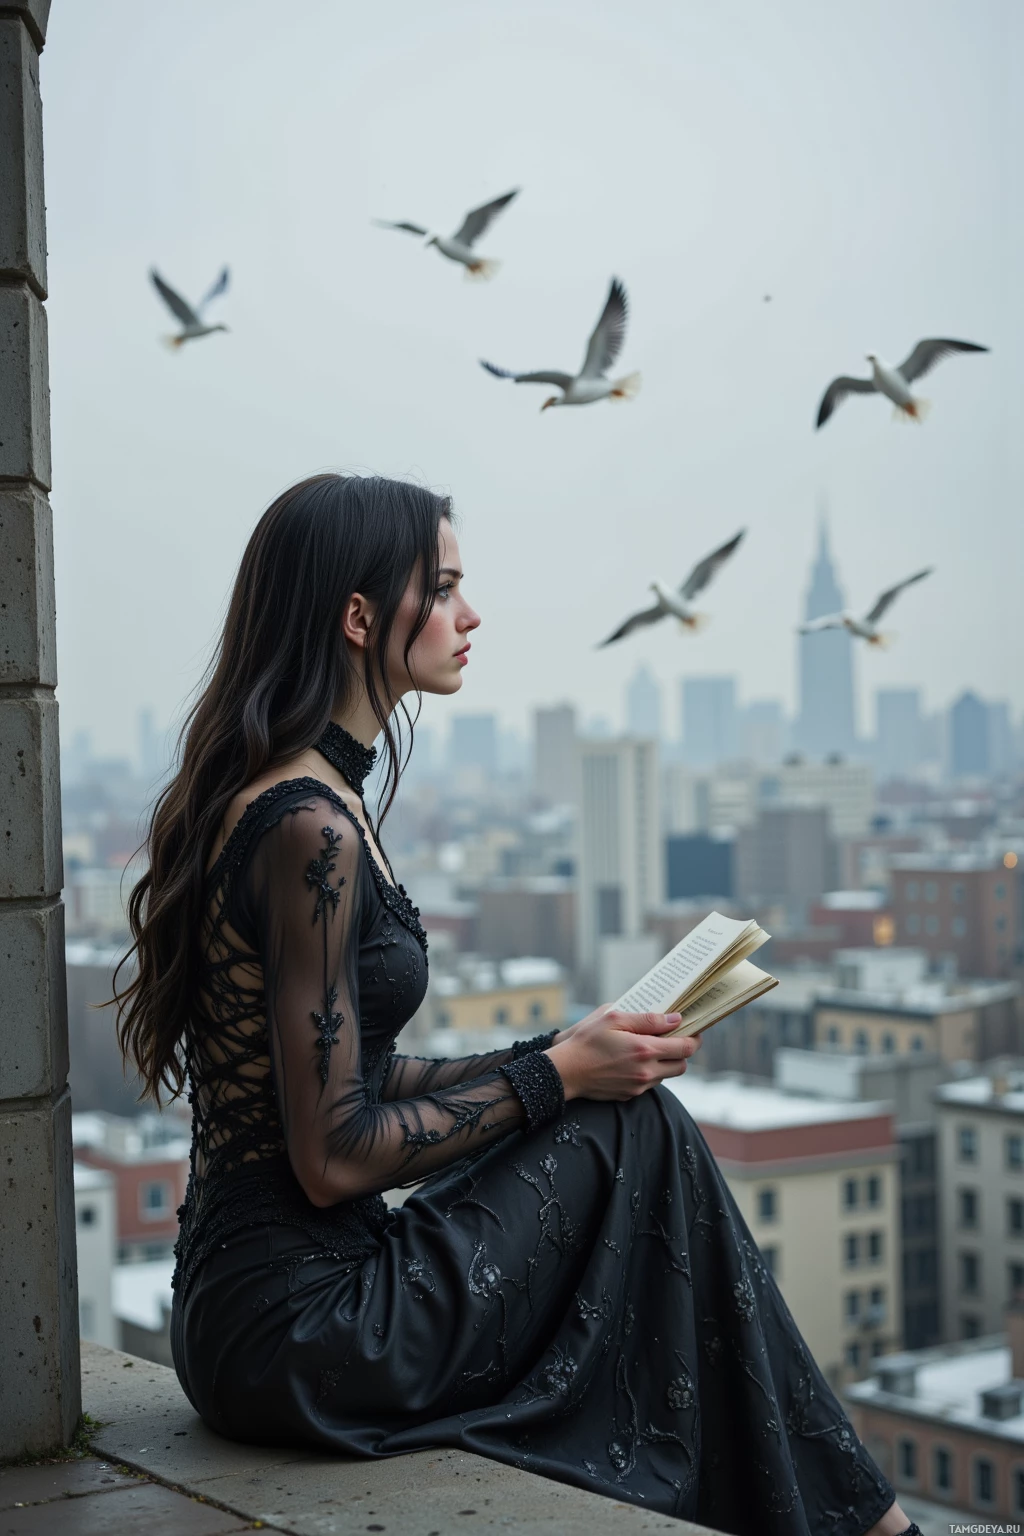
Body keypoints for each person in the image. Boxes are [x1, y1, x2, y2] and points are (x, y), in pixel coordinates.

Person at [116, 473, 917, 1536]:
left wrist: (562, 1051)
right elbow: (332, 1154)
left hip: (248, 1314)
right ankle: (861, 1521)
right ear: (359, 619)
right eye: (442, 587)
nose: (470, 613)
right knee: (640, 1129)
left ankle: (836, 1512)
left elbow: (345, 1083)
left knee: (617, 1109)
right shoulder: (310, 826)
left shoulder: (296, 793)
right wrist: (555, 1077)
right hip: (305, 1333)